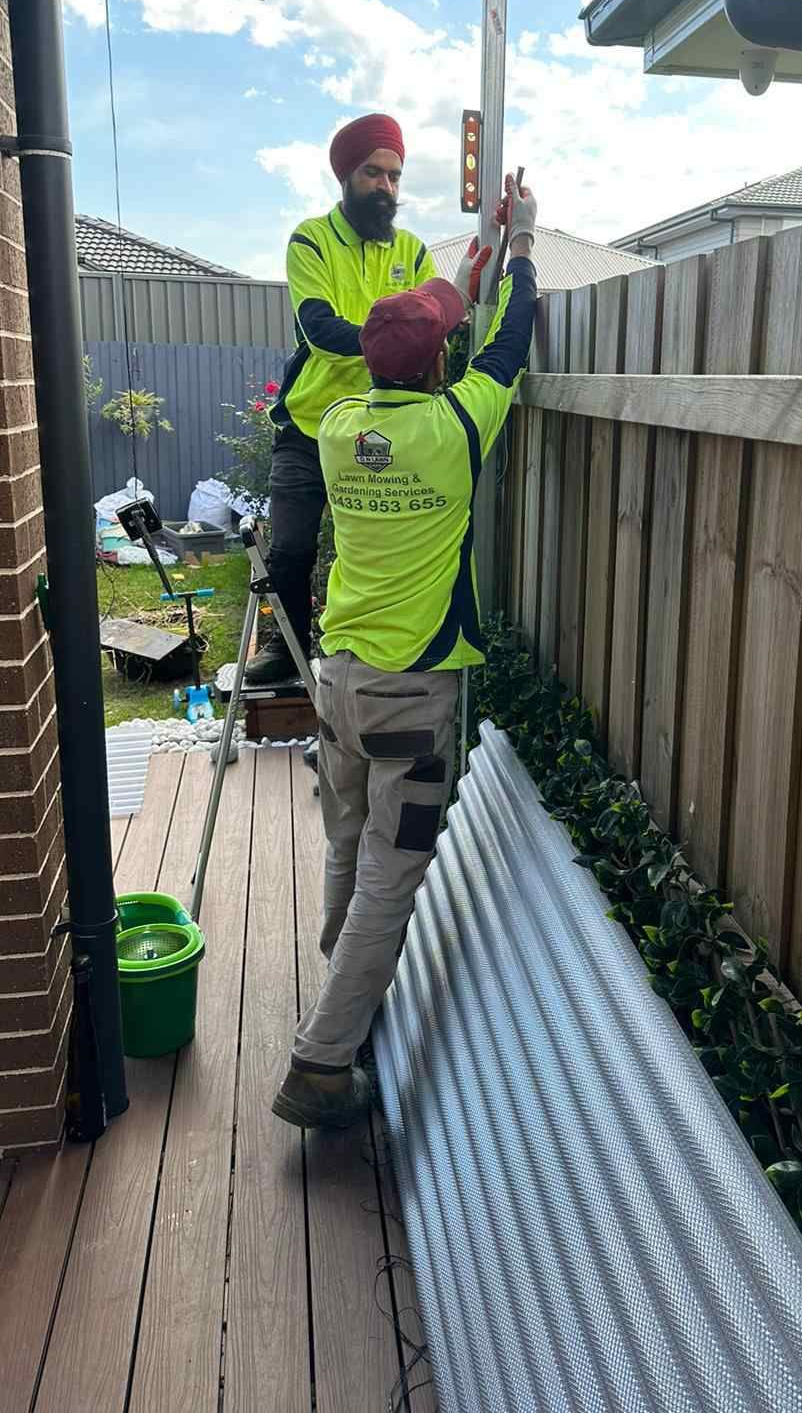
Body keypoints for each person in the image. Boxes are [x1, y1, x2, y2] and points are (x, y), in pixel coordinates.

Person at [272, 174, 538, 1130]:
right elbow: (508, 346)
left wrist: (463, 271)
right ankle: (321, 1061)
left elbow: (426, 331)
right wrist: (523, 253)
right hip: (411, 701)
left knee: (345, 839)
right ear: (435, 367)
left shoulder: (342, 428)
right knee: (394, 873)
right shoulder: (456, 426)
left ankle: (337, 986)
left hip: (338, 688)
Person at [246, 113, 437, 684]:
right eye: (373, 174)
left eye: (394, 177)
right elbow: (319, 331)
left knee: (377, 548)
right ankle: (286, 651)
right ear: (346, 177)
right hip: (308, 426)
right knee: (292, 547)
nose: (386, 187)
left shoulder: (413, 251)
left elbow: (433, 330)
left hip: (377, 430)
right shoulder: (312, 240)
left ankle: (373, 653)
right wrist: (394, 340)